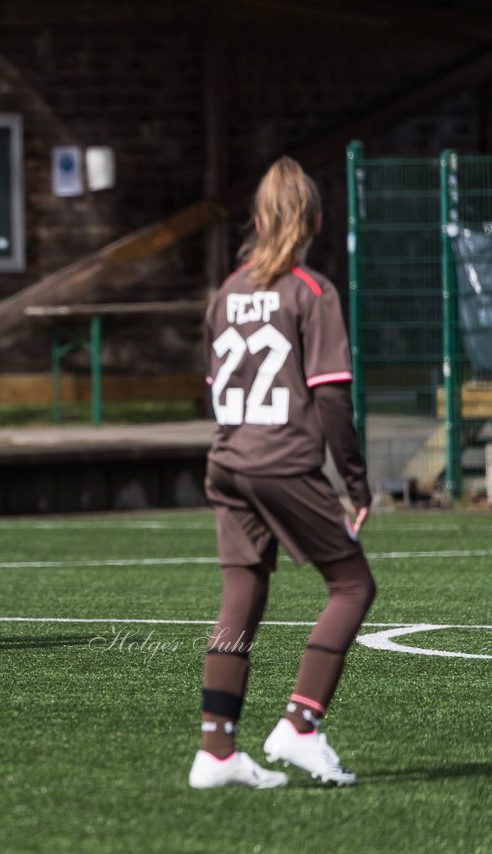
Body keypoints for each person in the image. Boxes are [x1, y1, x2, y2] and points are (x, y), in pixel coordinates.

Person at [188, 156, 375, 789]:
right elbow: (330, 398)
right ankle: (299, 725)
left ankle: (216, 752)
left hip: (229, 459)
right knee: (352, 588)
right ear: (316, 220)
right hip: (282, 462)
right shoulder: (312, 292)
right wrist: (354, 480)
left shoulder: (227, 291)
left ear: (260, 219)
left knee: (243, 592)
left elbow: (215, 389)